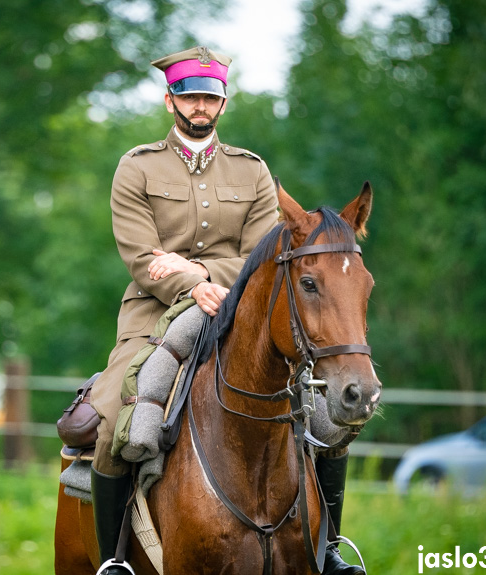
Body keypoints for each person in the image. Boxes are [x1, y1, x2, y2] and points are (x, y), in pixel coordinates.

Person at [89, 46, 363, 575]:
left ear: (223, 103)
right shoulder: (136, 167)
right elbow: (143, 258)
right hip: (152, 313)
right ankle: (113, 562)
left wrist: (200, 276)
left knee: (325, 417)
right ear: (170, 99)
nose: (199, 106)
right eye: (189, 96)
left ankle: (327, 551)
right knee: (110, 422)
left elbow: (263, 258)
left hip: (242, 312)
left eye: (209, 98)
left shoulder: (254, 172)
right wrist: (193, 283)